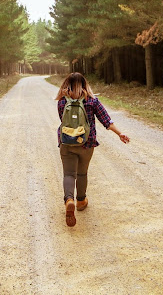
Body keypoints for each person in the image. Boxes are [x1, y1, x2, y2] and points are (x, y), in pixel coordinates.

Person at [55, 72, 130, 227]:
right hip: (86, 143)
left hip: (67, 142)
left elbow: (63, 120)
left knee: (69, 174)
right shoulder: (92, 101)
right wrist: (120, 133)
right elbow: (106, 121)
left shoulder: (62, 102)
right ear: (84, 84)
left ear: (66, 84)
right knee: (82, 173)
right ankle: (81, 201)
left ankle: (69, 200)